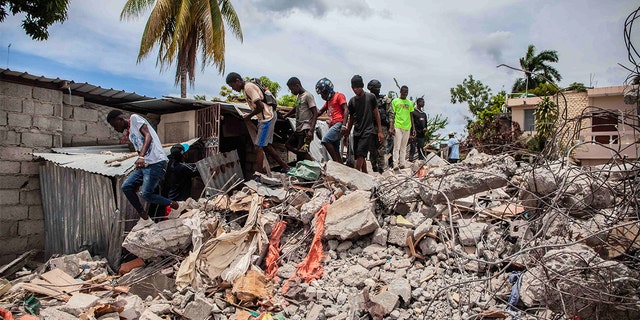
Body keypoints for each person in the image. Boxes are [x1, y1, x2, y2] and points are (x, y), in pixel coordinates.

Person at [106, 110, 180, 231]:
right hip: (146, 165)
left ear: (120, 119)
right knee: (127, 186)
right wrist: (138, 164)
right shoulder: (130, 135)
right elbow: (139, 149)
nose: (115, 129)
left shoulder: (135, 119)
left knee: (146, 194)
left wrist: (141, 157)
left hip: (156, 161)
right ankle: (144, 217)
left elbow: (148, 136)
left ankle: (175, 205)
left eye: (115, 125)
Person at [225, 72, 290, 173]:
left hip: (266, 118)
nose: (233, 88)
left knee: (258, 147)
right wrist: (239, 99)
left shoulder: (248, 87)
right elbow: (254, 99)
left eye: (232, 85)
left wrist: (249, 117)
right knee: (266, 146)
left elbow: (260, 106)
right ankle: (285, 166)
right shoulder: (246, 89)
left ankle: (258, 175)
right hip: (268, 116)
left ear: (237, 81)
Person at [341, 75, 384, 173]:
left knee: (361, 153)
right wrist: (347, 134)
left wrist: (380, 131)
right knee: (360, 154)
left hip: (368, 130)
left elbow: (376, 113)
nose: (355, 90)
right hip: (357, 131)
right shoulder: (352, 101)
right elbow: (351, 118)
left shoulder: (370, 97)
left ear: (362, 86)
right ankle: (365, 173)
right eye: (353, 88)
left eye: (358, 87)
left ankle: (356, 174)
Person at [283, 77, 318, 162]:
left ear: (297, 86)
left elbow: (315, 113)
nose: (292, 92)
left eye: (292, 89)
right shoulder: (299, 97)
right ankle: (305, 156)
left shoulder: (308, 96)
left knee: (301, 154)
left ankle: (313, 163)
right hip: (298, 128)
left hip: (305, 128)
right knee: (288, 145)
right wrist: (285, 115)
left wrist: (311, 130)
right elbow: (296, 108)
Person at [316, 77, 347, 162]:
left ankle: (336, 163)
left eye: (323, 93)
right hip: (333, 125)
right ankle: (340, 166)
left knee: (325, 140)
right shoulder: (328, 102)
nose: (322, 96)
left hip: (339, 123)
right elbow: (319, 112)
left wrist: (344, 125)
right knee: (335, 149)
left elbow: (346, 110)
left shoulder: (339, 96)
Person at [367, 79, 394, 173]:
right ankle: (374, 167)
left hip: (382, 127)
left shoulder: (385, 100)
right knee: (372, 148)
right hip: (370, 127)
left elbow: (391, 114)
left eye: (378, 88)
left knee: (381, 148)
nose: (377, 89)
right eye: (375, 88)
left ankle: (381, 168)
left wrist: (391, 127)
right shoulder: (367, 99)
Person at [390, 85, 415, 169]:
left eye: (406, 92)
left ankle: (402, 163)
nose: (405, 94)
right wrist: (392, 127)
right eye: (404, 92)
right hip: (398, 126)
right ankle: (395, 164)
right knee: (397, 146)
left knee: (403, 147)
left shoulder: (410, 103)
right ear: (400, 92)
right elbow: (392, 114)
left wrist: (413, 128)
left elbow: (411, 115)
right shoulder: (395, 101)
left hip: (407, 127)